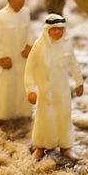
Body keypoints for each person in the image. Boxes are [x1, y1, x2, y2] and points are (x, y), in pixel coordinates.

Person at [25, 14, 84, 160]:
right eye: (54, 29)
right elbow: (29, 69)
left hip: (62, 89)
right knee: (44, 117)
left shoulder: (66, 45)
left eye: (60, 29)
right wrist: (30, 90)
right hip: (45, 90)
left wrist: (79, 82)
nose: (58, 32)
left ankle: (66, 147)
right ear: (48, 30)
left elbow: (74, 64)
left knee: (64, 115)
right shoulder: (39, 46)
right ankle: (41, 146)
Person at [0, 0, 33, 126]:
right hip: (8, 59)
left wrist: (29, 46)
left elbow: (29, 32)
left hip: (22, 59)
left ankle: (22, 112)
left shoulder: (26, 13)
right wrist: (0, 57)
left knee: (22, 86)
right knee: (4, 86)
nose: (21, 1)